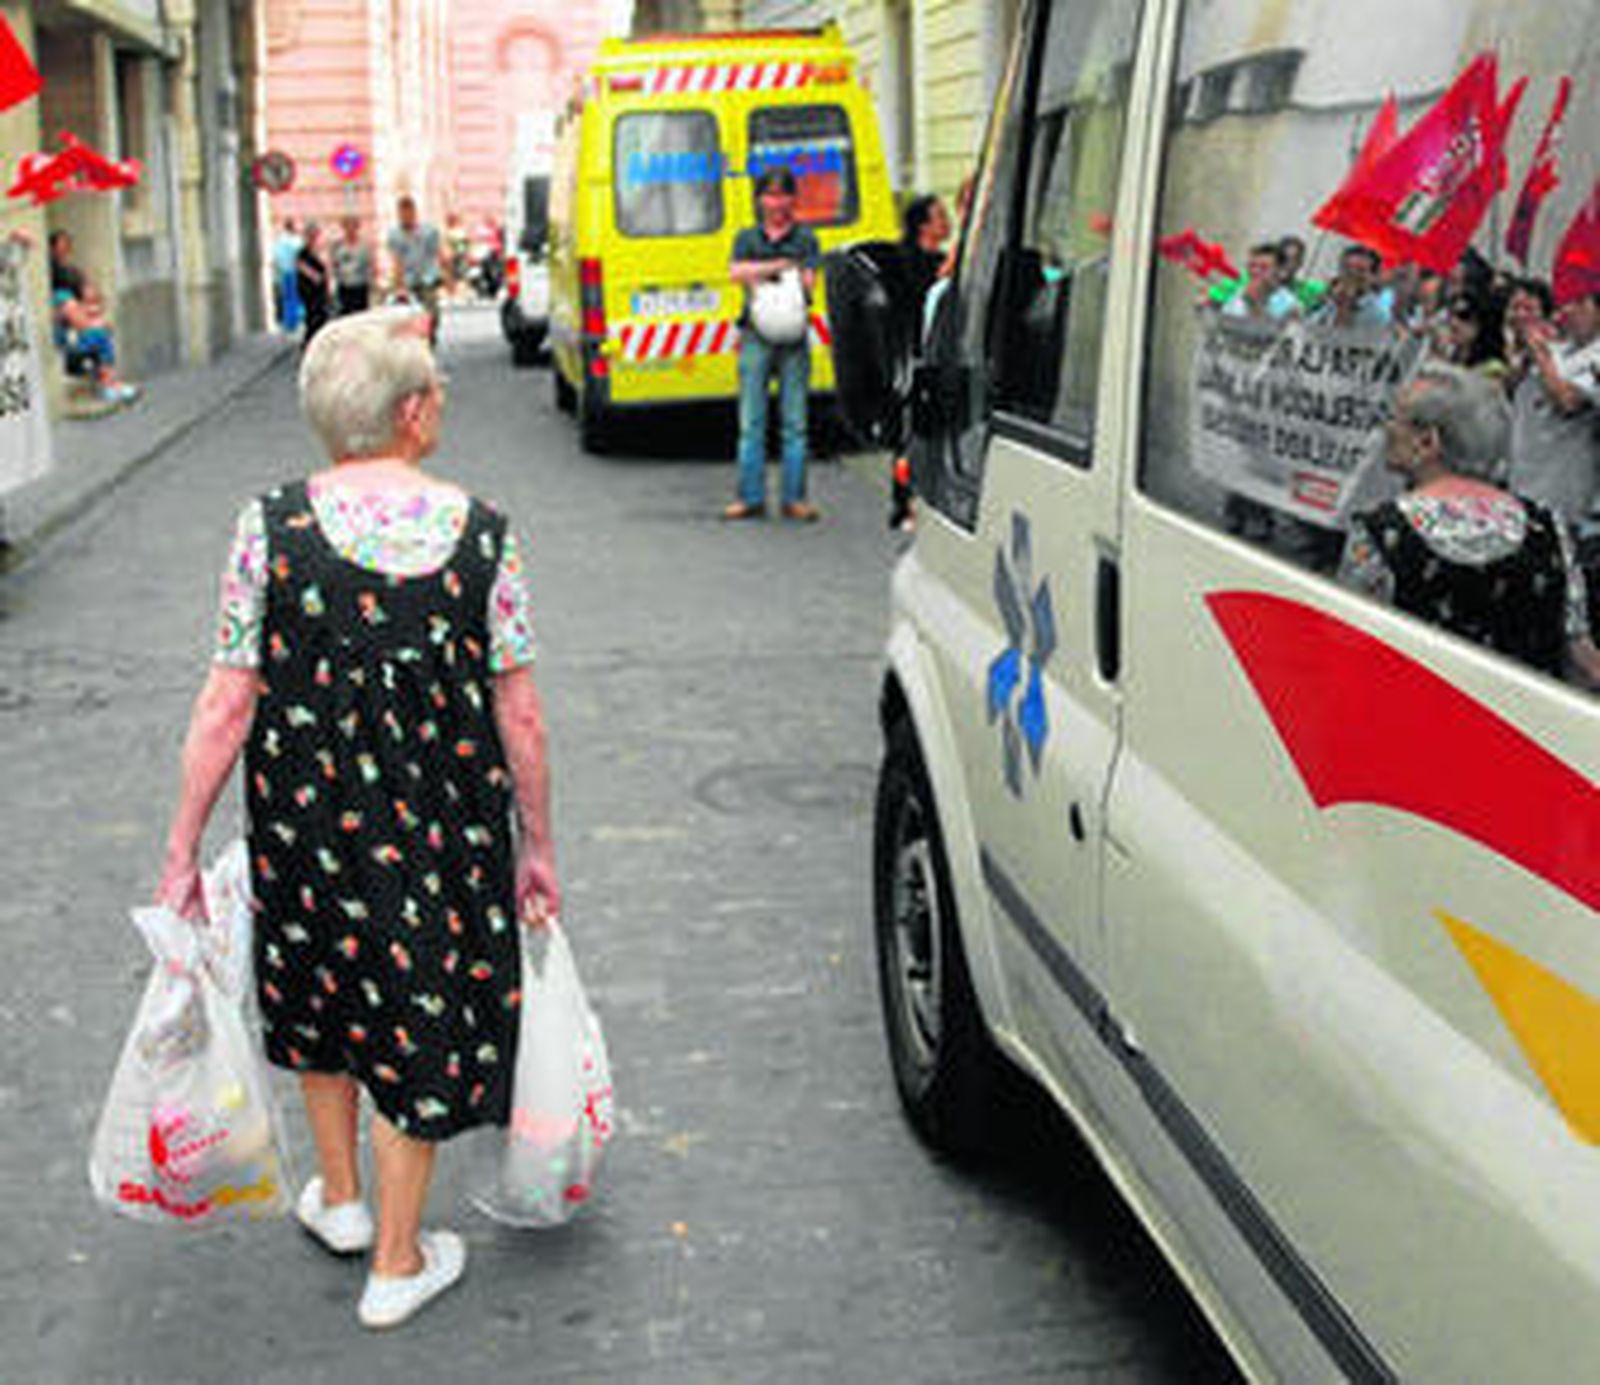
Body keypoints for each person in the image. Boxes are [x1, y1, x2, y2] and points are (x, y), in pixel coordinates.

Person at [155, 307, 560, 1328]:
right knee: (417, 1010)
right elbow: (518, 711)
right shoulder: (484, 534)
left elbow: (226, 701)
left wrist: (180, 849)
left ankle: (340, 1200)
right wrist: (539, 844)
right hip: (443, 827)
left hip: (306, 818)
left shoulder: (268, 527)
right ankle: (396, 1256)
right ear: (413, 412)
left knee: (323, 988)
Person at [1339, 363, 1599, 687]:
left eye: (1394, 418)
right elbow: (1581, 657)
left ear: (1428, 442)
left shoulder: (1383, 532)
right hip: (1515, 714)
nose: (1385, 428)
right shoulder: (1548, 527)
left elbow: (1347, 645)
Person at [723, 166, 822, 523]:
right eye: (770, 195)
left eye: (783, 195)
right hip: (755, 334)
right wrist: (780, 266)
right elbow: (735, 273)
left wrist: (760, 273)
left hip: (794, 336)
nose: (777, 203)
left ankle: (795, 498)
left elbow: (809, 282)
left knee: (795, 423)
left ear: (793, 200)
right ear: (759, 200)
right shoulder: (746, 237)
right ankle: (750, 497)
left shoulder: (806, 238)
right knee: (752, 422)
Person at [1506, 282, 1599, 532]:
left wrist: (1539, 353)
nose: (1568, 310)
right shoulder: (1560, 348)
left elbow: (1567, 401)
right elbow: (1514, 388)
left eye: (1580, 303)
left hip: (1560, 492)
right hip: (1523, 477)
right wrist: (1524, 353)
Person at [889, 194, 954, 529]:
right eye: (940, 216)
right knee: (910, 427)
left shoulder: (939, 258)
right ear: (924, 226)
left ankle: (920, 496)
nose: (948, 222)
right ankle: (904, 502)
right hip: (911, 353)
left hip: (936, 354)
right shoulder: (909, 262)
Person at [47, 233, 138, 404]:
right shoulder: (62, 297)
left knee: (101, 338)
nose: (65, 248)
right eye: (61, 244)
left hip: (76, 341)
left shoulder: (71, 289)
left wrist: (95, 316)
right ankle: (108, 385)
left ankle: (111, 384)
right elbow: (82, 325)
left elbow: (86, 315)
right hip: (68, 349)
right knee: (101, 336)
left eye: (67, 243)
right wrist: (98, 323)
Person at [387, 196, 444, 347]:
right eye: (402, 214)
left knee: (432, 314)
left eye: (408, 213)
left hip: (427, 279)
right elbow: (397, 262)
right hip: (409, 282)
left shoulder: (429, 231)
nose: (405, 217)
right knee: (409, 319)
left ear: (414, 212)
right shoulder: (395, 235)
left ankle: (430, 338)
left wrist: (447, 275)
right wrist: (398, 286)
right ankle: (418, 345)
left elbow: (438, 253)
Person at [1219, 242, 1299, 321]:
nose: (1255, 271)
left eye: (1264, 267)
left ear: (1277, 270)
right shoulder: (1237, 298)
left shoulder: (1288, 304)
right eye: (1252, 265)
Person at [295, 221, 332, 346]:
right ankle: (310, 341)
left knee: (322, 316)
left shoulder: (320, 251)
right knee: (312, 317)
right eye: (311, 235)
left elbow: (326, 271)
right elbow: (305, 270)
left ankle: (318, 341)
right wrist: (315, 276)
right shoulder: (302, 253)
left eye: (315, 235)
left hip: (320, 292)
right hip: (309, 292)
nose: (313, 238)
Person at [332, 216, 373, 316]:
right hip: (344, 288)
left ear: (357, 227)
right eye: (347, 226)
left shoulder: (364, 247)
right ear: (344, 228)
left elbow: (370, 266)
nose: (350, 230)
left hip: (360, 288)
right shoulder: (338, 246)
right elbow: (334, 265)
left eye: (353, 226)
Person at [273, 219, 304, 334]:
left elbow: (276, 258)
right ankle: (294, 322)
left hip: (284, 273)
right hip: (294, 272)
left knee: (287, 298)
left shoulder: (280, 241)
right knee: (295, 297)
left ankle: (288, 323)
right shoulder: (295, 241)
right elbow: (301, 255)